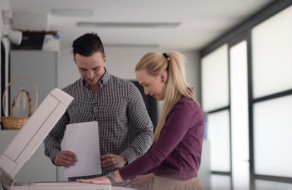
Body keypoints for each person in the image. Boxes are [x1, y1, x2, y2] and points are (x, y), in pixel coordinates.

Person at [78, 51, 205, 190]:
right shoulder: (176, 107)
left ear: (163, 76)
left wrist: (112, 178)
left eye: (146, 84)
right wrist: (152, 177)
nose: (145, 92)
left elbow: (156, 156)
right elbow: (175, 157)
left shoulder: (184, 109)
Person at [44, 32, 153, 181]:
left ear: (104, 60)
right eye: (83, 69)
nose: (90, 75)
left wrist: (125, 158)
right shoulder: (66, 95)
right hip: (79, 183)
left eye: (96, 68)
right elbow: (51, 135)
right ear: (75, 62)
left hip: (115, 181)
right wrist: (55, 155)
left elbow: (146, 131)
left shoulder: (128, 90)